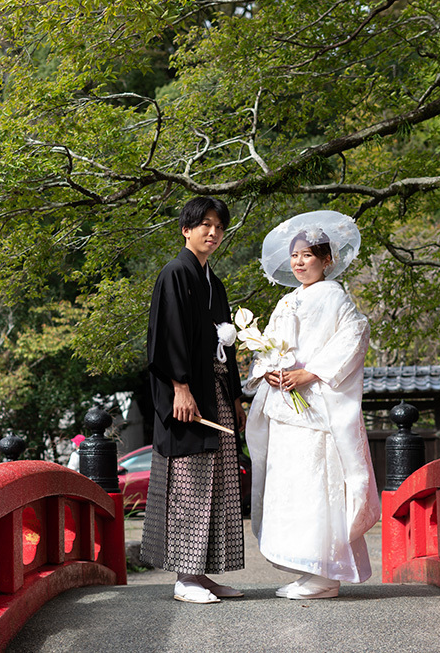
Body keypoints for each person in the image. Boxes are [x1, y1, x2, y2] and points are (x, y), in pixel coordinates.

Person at [244, 210, 379, 600]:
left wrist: (312, 372)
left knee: (317, 485)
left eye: (308, 255)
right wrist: (268, 370)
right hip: (286, 406)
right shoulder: (286, 302)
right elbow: (268, 345)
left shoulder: (337, 298)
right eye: (295, 256)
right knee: (290, 485)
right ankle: (307, 568)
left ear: (327, 260)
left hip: (317, 406)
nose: (300, 262)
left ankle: (325, 573)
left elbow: (355, 336)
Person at [139, 196, 248, 604]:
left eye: (219, 226)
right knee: (190, 483)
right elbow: (165, 338)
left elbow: (226, 348)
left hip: (216, 391)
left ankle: (204, 575)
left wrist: (235, 397)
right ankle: (185, 577)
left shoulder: (213, 284)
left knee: (218, 483)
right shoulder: (175, 274)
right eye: (204, 224)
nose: (213, 232)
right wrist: (179, 387)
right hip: (187, 394)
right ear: (186, 229)